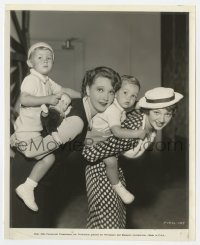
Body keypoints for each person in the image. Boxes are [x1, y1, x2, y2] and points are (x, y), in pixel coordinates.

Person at [10, 66, 121, 227]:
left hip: (39, 173)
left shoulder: (79, 103)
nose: (106, 97)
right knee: (28, 229)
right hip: (30, 176)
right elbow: (32, 151)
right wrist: (15, 141)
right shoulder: (77, 121)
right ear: (88, 89)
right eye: (100, 89)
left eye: (111, 92)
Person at [82, 87, 183, 228]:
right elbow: (91, 153)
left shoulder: (149, 126)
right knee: (107, 223)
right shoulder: (134, 129)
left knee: (115, 220)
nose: (162, 119)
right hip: (101, 171)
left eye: (168, 114)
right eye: (157, 112)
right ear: (147, 111)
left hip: (115, 171)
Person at [11, 42, 81, 212]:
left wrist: (85, 97)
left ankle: (27, 186)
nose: (45, 60)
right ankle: (27, 185)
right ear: (30, 63)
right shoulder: (31, 79)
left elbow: (64, 90)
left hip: (34, 132)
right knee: (44, 155)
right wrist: (48, 99)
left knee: (49, 158)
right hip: (26, 132)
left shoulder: (47, 81)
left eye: (49, 58)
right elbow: (25, 100)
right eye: (40, 57)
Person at [85, 75, 146, 204]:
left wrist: (140, 105)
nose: (129, 98)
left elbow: (131, 107)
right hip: (95, 139)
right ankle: (118, 187)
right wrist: (137, 133)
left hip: (104, 135)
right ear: (116, 92)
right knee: (111, 162)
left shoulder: (119, 106)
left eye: (134, 96)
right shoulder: (113, 110)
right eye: (125, 93)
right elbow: (117, 132)